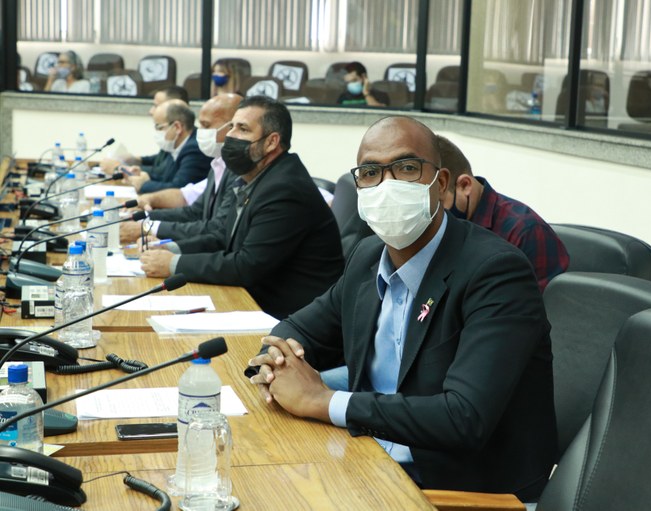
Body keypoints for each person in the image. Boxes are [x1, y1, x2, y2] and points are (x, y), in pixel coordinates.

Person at [247, 116, 557, 500]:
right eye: (370, 173)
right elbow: (298, 329)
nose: (386, 185)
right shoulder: (367, 256)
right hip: (369, 460)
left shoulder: (496, 271)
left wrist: (322, 401)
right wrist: (276, 362)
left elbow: (463, 418)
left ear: (440, 184)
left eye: (407, 168)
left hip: (462, 492)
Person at [139, 96, 344, 320]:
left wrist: (173, 264)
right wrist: (171, 249)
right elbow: (221, 237)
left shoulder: (285, 189)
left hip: (289, 318)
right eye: (232, 127)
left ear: (271, 142)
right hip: (252, 300)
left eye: (243, 129)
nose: (230, 135)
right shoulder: (254, 177)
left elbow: (247, 266)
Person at [438, 135, 569, 291]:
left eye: (438, 201)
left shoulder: (525, 232)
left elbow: (542, 303)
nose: (433, 212)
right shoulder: (440, 229)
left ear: (465, 185)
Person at [120, 93, 242, 243]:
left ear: (233, 127)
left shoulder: (236, 170)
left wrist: (149, 227)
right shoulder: (218, 162)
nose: (200, 131)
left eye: (206, 125)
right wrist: (141, 217)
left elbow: (216, 228)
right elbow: (194, 210)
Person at [124, 100, 212, 193]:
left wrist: (143, 185)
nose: (157, 132)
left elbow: (179, 189)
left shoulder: (194, 149)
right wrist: (146, 176)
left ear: (177, 127)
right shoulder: (176, 144)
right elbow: (167, 178)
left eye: (159, 127)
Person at [100, 86, 189, 175]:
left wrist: (120, 168)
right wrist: (135, 160)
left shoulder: (189, 147)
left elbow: (162, 173)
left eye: (156, 106)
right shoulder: (173, 141)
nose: (151, 111)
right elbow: (160, 160)